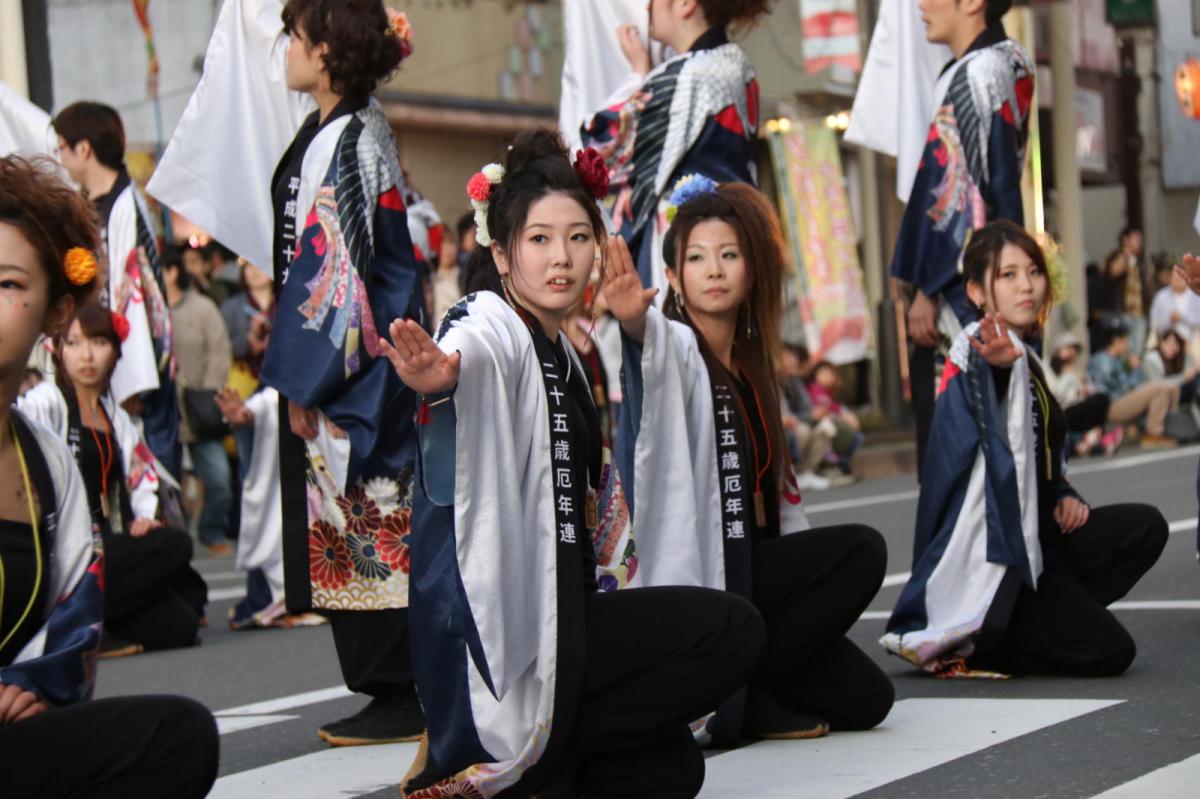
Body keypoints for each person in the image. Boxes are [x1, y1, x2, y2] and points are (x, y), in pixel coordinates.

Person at [390, 131, 764, 799]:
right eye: (538, 239)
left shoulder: (565, 351)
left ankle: (553, 758)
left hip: (570, 614)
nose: (561, 258)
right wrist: (444, 382)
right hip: (519, 633)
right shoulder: (490, 325)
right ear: (500, 254)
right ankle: (529, 757)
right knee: (730, 629)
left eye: (578, 237)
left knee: (674, 767)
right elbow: (471, 350)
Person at [604, 176, 893, 745]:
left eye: (729, 255)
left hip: (758, 567)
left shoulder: (755, 365)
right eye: (696, 258)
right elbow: (646, 343)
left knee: (869, 699)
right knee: (862, 549)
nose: (714, 270)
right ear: (673, 277)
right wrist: (632, 321)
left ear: (752, 270)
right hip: (711, 571)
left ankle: (757, 676)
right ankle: (744, 690)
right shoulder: (673, 350)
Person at [0, 154, 218, 798]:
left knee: (179, 736)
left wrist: (32, 688)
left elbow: (73, 609)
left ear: (56, 312)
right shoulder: (49, 406)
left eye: (7, 283)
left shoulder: (45, 458)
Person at [883, 220, 1167, 677]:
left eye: (1033, 272)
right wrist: (995, 370)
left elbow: (1038, 446)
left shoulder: (1024, 353)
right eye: (1008, 275)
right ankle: (986, 637)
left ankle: (1052, 615)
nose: (1026, 286)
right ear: (976, 291)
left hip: (1038, 537)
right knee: (1111, 650)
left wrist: (1063, 494)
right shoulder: (976, 351)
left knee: (1144, 527)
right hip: (998, 558)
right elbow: (988, 421)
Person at [257, 0, 426, 746]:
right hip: (358, 357)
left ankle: (397, 687)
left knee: (365, 514)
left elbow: (342, 271)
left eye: (296, 37)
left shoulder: (349, 136)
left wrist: (306, 379)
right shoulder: (343, 129)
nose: (288, 50)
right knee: (358, 517)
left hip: (355, 369)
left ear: (329, 50)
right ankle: (392, 684)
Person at [889, 0, 1034, 472]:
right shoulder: (1012, 59)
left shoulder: (974, 71)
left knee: (957, 443)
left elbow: (953, 194)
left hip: (962, 284)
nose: (922, 5)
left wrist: (927, 286)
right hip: (999, 264)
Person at [19, 304, 208, 655]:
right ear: (57, 350)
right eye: (73, 343)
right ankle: (77, 623)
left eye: (99, 343)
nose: (86, 356)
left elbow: (143, 477)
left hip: (107, 546)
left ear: (116, 352)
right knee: (177, 545)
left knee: (182, 623)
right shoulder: (47, 402)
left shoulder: (117, 419)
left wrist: (145, 516)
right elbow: (17, 422)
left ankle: (86, 628)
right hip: (66, 550)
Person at [581, 0, 766, 296]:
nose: (647, 7)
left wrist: (638, 76)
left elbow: (600, 148)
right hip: (733, 235)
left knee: (675, 324)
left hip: (689, 241)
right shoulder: (736, 64)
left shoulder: (689, 75)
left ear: (685, 3)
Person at [51, 101, 180, 479]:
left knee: (149, 473)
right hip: (104, 361)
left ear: (84, 149)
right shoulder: (88, 208)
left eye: (61, 146)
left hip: (135, 367)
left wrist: (132, 378)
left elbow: (138, 296)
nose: (59, 157)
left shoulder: (126, 206)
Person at [215, 384, 325, 629]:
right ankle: (273, 600)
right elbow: (266, 402)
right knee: (277, 524)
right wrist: (245, 415)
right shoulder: (272, 394)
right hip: (287, 479)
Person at [163, 247, 236, 554]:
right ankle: (172, 541)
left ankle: (211, 530)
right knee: (164, 483)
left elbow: (219, 351)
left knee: (219, 480)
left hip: (199, 409)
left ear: (172, 272)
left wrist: (207, 392)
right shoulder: (150, 311)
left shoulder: (202, 307)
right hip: (162, 411)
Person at [1088, 318, 1179, 448]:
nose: (1128, 344)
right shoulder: (1102, 360)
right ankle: (1154, 433)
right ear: (1116, 340)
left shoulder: (1118, 360)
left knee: (1168, 387)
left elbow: (1135, 385)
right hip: (1111, 407)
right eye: (1126, 339)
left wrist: (1135, 369)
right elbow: (1114, 390)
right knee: (1160, 388)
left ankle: (1169, 428)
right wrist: (1134, 370)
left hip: (1121, 402)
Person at [807, 360, 864, 478]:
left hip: (831, 424)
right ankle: (833, 465)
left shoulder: (829, 391)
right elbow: (825, 409)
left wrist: (844, 414)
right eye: (823, 373)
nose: (827, 376)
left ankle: (840, 464)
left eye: (830, 373)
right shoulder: (815, 389)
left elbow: (835, 407)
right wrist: (842, 416)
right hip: (820, 425)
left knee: (857, 436)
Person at [1150, 266, 1200, 344]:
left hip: (1192, 340)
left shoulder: (1196, 296)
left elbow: (1198, 321)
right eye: (1175, 278)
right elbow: (1155, 321)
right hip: (1166, 341)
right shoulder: (1161, 296)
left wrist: (1182, 317)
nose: (1177, 281)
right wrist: (1170, 319)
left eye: (1180, 278)